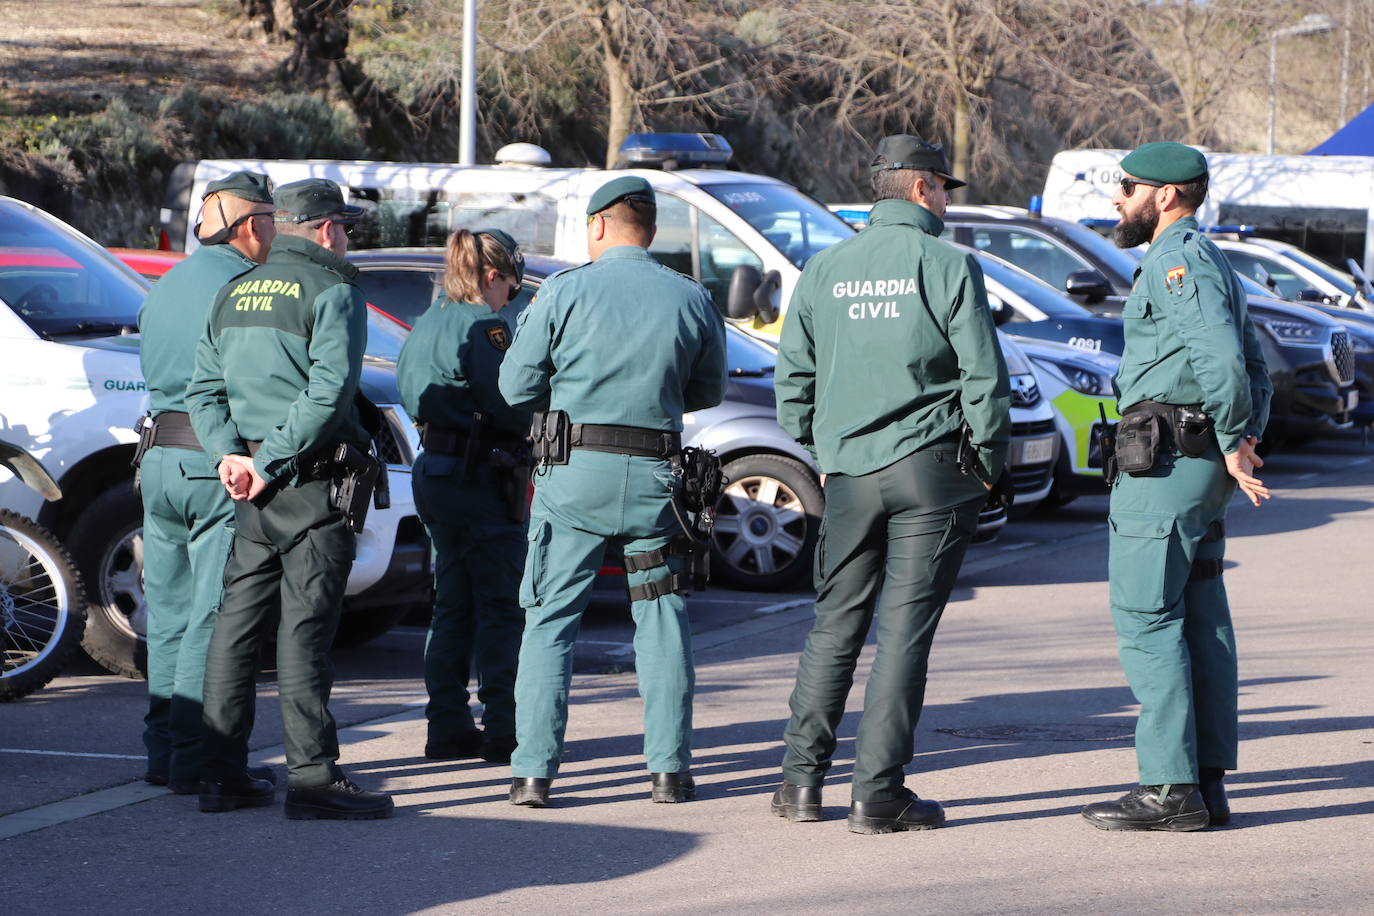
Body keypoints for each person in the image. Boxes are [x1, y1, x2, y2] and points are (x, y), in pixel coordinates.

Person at [770, 135, 1011, 835]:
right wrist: (989, 464)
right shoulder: (947, 264)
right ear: (920, 188)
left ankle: (800, 782)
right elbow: (983, 379)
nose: (945, 199)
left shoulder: (825, 267)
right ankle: (877, 793)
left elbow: (795, 380)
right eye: (942, 187)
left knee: (833, 625)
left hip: (848, 472)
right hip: (931, 470)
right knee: (903, 634)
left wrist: (822, 445)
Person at [498, 176, 727, 807]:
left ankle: (534, 774)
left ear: (597, 226)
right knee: (662, 617)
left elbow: (515, 388)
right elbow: (708, 391)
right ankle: (669, 772)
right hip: (657, 480)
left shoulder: (565, 291)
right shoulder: (690, 297)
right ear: (650, 230)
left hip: (574, 478)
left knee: (550, 621)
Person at [186, 178, 394, 820]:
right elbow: (330, 394)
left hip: (249, 488)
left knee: (236, 627)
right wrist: (270, 462)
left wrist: (233, 458)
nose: (348, 238)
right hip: (309, 483)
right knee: (304, 632)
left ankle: (219, 774)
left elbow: (202, 391)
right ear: (328, 229)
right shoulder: (335, 290)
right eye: (346, 228)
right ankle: (312, 779)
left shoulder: (232, 291)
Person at [1081, 141, 1271, 832]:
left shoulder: (1175, 260)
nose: (1115, 197)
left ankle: (1170, 789)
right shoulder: (1212, 256)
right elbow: (1255, 362)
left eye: (1126, 185)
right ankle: (1207, 781)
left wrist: (1231, 440)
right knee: (1200, 620)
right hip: (1196, 469)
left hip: (1165, 468)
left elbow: (1222, 358)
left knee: (1146, 619)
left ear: (1165, 195)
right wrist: (1244, 437)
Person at [136, 171, 278, 794]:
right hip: (214, 461)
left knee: (165, 612)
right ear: (250, 226)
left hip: (157, 459)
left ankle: (165, 751)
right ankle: (198, 756)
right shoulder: (245, 287)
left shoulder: (165, 283)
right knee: (212, 616)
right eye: (272, 221)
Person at [397, 228, 531, 765]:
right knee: (500, 606)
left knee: (451, 605)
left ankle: (447, 725)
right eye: (510, 289)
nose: (509, 301)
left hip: (434, 471)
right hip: (481, 478)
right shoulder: (487, 327)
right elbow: (511, 408)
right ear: (493, 277)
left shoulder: (426, 322)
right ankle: (504, 729)